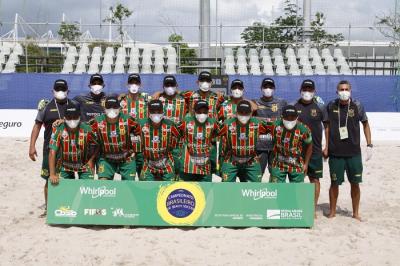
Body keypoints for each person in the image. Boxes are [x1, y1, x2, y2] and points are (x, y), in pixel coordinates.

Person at [326, 80, 372, 221]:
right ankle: (332, 212)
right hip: (335, 153)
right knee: (334, 184)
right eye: (341, 89)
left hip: (354, 153)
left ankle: (355, 213)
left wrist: (369, 144)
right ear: (337, 92)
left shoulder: (358, 105)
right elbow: (326, 127)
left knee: (355, 183)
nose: (344, 92)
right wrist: (326, 147)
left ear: (350, 91)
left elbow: (365, 124)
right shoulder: (331, 105)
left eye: (346, 89)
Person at [29, 79, 72, 215]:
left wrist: (65, 120)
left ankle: (68, 205)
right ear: (52, 91)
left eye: (63, 89)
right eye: (57, 89)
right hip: (50, 149)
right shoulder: (45, 106)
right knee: (49, 179)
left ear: (68, 91)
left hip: (70, 149)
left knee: (68, 179)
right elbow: (37, 126)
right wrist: (31, 146)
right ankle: (49, 208)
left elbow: (81, 121)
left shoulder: (74, 105)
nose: (60, 92)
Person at [294, 79, 329, 216]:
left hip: (315, 151)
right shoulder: (294, 106)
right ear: (300, 90)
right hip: (296, 151)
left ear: (314, 92)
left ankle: (312, 208)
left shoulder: (320, 107)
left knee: (314, 179)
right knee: (296, 179)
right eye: (305, 89)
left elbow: (327, 127)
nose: (307, 92)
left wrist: (327, 146)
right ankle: (297, 206)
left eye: (309, 90)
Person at [180, 71, 225, 175]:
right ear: (197, 82)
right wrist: (159, 93)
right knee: (191, 165)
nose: (205, 83)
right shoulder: (190, 95)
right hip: (193, 136)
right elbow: (175, 94)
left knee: (210, 167)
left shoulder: (217, 97)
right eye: (202, 80)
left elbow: (232, 101)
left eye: (207, 81)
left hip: (210, 138)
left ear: (211, 83)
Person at [91, 95, 140, 181]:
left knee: (130, 186)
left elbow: (142, 131)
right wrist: (64, 121)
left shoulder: (128, 120)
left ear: (119, 108)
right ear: (104, 109)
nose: (112, 109)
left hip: (126, 159)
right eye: (109, 107)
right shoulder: (97, 121)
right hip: (107, 159)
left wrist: (136, 151)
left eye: (114, 107)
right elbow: (82, 130)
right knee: (103, 183)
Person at [48, 102, 97, 184]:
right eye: (69, 118)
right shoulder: (58, 129)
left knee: (87, 190)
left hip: (84, 165)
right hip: (65, 165)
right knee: (62, 189)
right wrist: (52, 174)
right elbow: (52, 152)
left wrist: (91, 160)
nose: (72, 120)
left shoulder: (87, 129)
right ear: (64, 118)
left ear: (79, 117)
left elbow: (98, 144)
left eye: (75, 117)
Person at [219, 100, 268, 182]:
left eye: (246, 112)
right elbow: (213, 132)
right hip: (232, 159)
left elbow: (274, 128)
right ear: (236, 112)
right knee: (226, 186)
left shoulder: (257, 124)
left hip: (251, 160)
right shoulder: (227, 124)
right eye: (241, 112)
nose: (244, 114)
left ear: (251, 113)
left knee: (256, 187)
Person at [177, 100, 220, 182]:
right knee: (185, 192)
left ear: (208, 111)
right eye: (199, 112)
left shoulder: (213, 123)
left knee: (206, 193)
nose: (202, 114)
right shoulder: (186, 121)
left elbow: (218, 136)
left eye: (204, 112)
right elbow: (175, 134)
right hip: (188, 166)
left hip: (205, 167)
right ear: (194, 111)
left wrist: (214, 163)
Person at [138, 100, 180, 181]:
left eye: (158, 111)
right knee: (145, 189)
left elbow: (179, 137)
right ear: (149, 112)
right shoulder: (141, 124)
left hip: (166, 162)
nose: (156, 114)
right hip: (148, 163)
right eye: (153, 111)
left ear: (162, 111)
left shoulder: (170, 125)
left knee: (169, 188)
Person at [269, 105, 313, 183]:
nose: (289, 119)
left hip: (296, 163)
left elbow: (310, 144)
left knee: (297, 192)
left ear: (297, 117)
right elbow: (260, 122)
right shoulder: (275, 125)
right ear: (282, 117)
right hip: (278, 163)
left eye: (292, 117)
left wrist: (306, 164)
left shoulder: (304, 129)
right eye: (287, 117)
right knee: (275, 190)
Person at [254, 78, 287, 176]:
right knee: (258, 174)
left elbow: (287, 120)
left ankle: (275, 192)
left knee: (276, 174)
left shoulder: (282, 103)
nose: (268, 89)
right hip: (260, 145)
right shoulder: (255, 103)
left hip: (276, 146)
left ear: (274, 88)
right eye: (265, 86)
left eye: (270, 87)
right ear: (261, 88)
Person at [119, 73, 150, 177]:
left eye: (136, 83)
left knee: (144, 178)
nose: (134, 85)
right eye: (131, 82)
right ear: (127, 84)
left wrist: (159, 93)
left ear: (140, 85)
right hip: (127, 148)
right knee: (128, 179)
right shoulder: (121, 101)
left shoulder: (147, 100)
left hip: (143, 147)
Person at [157, 75, 188, 177]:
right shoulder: (158, 100)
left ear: (176, 85)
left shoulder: (184, 101)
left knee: (179, 173)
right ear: (163, 86)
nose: (169, 87)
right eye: (167, 85)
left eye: (172, 84)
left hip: (178, 144)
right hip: (161, 145)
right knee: (161, 174)